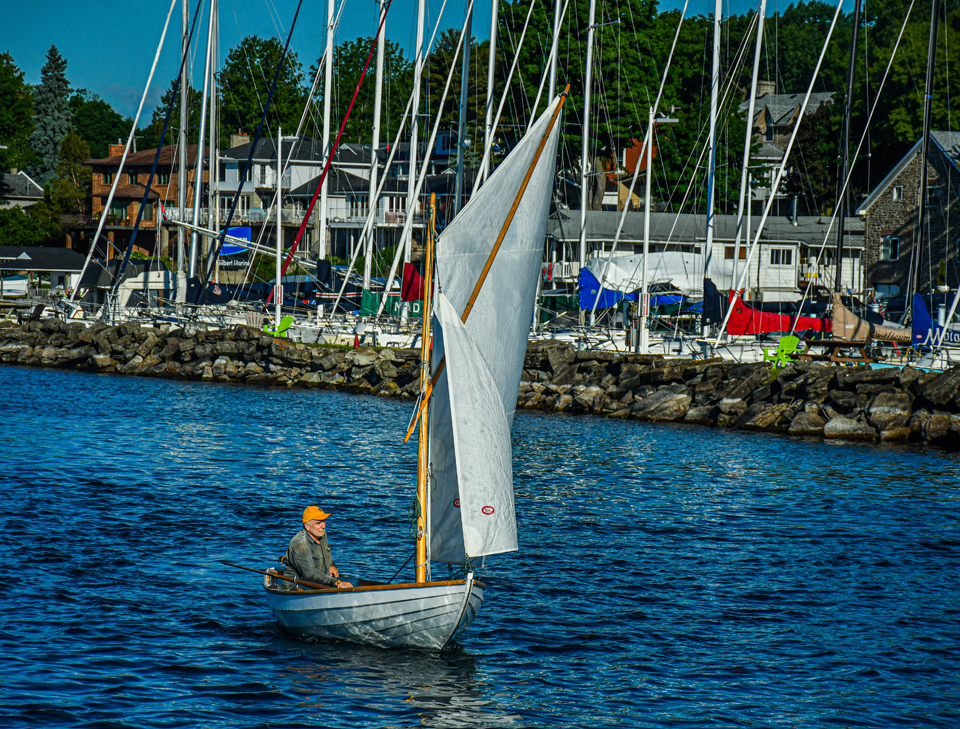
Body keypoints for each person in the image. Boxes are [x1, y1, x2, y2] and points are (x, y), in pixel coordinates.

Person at [285, 506, 352, 589]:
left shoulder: (321, 533)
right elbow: (310, 574)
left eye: (324, 521)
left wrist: (331, 565)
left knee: (354, 582)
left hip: (321, 581)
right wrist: (335, 582)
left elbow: (325, 554)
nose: (323, 526)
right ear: (307, 526)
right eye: (318, 523)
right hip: (298, 585)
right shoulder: (300, 544)